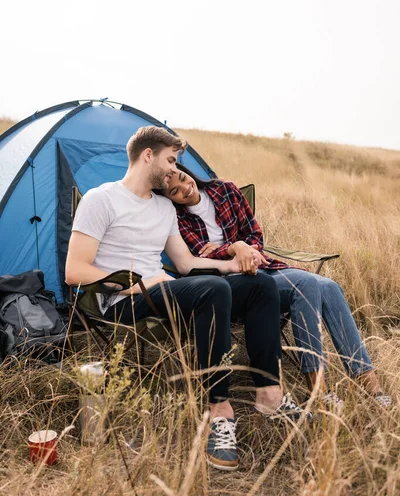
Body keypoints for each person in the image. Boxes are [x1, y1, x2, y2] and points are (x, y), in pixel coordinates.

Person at [65, 126, 310, 473]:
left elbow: (186, 263)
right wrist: (139, 284)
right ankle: (218, 413)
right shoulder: (100, 199)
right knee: (212, 289)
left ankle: (269, 396)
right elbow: (74, 271)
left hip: (162, 290)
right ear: (147, 155)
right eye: (171, 160)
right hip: (123, 298)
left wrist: (233, 264)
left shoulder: (164, 208)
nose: (174, 168)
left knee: (259, 286)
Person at [161, 163, 392, 409]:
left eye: (184, 179)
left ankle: (370, 384)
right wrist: (233, 249)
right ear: (169, 198)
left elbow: (255, 234)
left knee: (330, 287)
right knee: (304, 284)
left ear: (189, 173)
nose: (185, 189)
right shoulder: (176, 217)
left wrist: (243, 247)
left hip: (264, 266)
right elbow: (199, 256)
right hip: (232, 282)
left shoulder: (225, 190)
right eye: (175, 191)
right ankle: (318, 391)